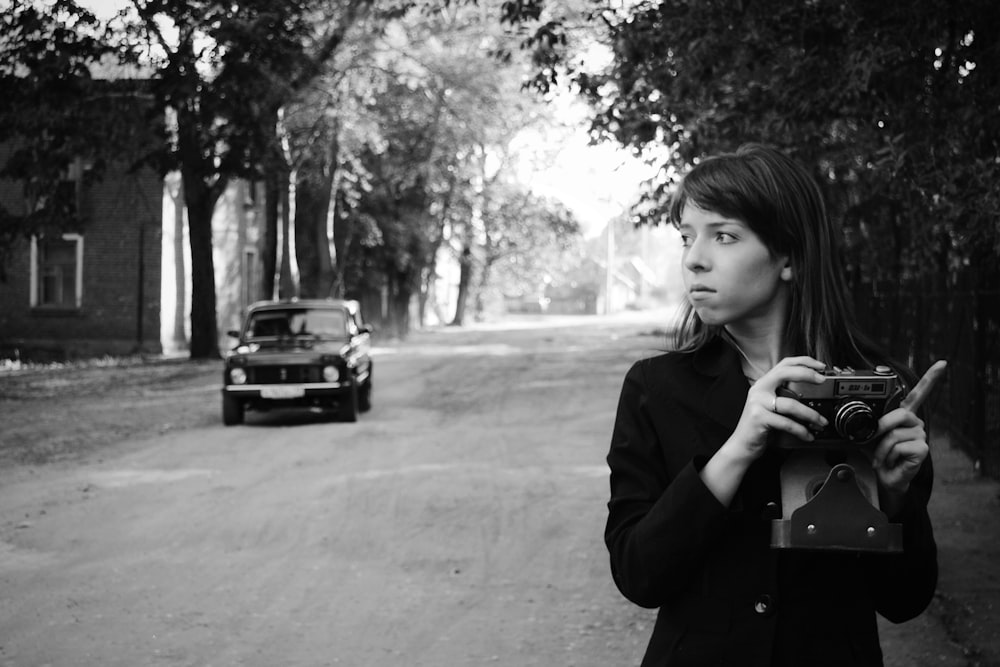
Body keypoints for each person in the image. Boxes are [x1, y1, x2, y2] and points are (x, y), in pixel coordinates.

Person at [605, 144, 946, 667]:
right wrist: (738, 448)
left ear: (788, 256)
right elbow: (639, 574)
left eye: (724, 235)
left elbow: (905, 601)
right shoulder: (656, 387)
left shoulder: (875, 391)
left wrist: (896, 499)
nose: (694, 257)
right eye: (686, 237)